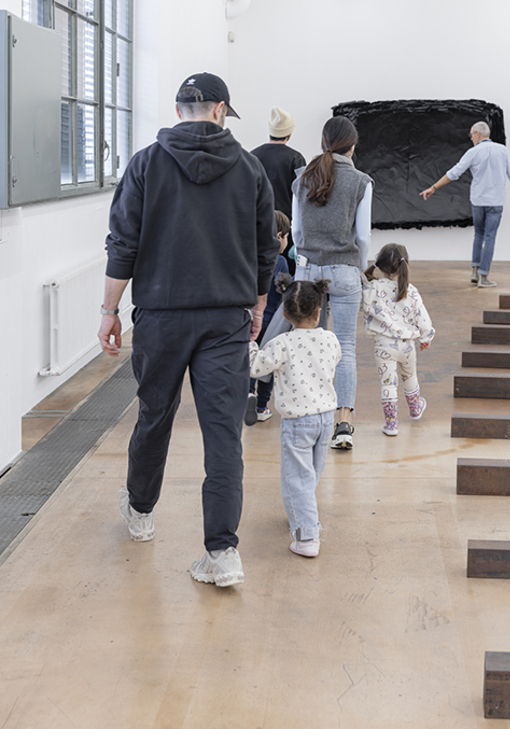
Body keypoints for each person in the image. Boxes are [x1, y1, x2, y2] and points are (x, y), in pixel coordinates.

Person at [98, 72, 279, 588]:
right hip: (226, 319)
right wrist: (259, 303)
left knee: (155, 415)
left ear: (180, 110)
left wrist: (109, 311)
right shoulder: (248, 169)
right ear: (220, 110)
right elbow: (267, 249)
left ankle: (140, 512)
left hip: (160, 316)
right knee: (223, 432)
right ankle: (222, 553)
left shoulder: (146, 164)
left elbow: (122, 244)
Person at [292, 115, 372, 451]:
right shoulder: (361, 181)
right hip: (345, 272)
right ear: (352, 146)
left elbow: (296, 231)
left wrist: (303, 263)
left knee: (305, 345)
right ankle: (343, 424)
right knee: (345, 347)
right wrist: (361, 269)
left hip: (308, 270)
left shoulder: (302, 177)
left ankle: (307, 414)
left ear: (324, 142)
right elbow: (363, 236)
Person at [249, 276, 341, 558]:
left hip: (298, 421)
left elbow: (255, 368)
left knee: (297, 477)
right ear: (319, 311)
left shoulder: (282, 344)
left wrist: (251, 343)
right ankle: (299, 515)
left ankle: (307, 535)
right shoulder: (330, 339)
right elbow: (335, 361)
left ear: (286, 314)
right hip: (326, 418)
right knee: (309, 475)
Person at [420, 121, 510, 288]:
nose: (471, 138)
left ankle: (475, 272)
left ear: (477, 134)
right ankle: (484, 276)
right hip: (496, 202)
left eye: (471, 135)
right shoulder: (502, 150)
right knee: (490, 237)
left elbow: (454, 173)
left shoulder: (473, 152)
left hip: (478, 201)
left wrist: (433, 187)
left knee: (479, 235)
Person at [362, 243, 435, 435]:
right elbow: (424, 320)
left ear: (381, 265)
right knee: (410, 377)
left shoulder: (372, 288)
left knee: (388, 384)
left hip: (383, 346)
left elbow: (362, 283)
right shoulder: (411, 291)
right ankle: (415, 409)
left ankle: (392, 424)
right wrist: (426, 338)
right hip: (407, 346)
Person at [245, 209, 291, 426]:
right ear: (279, 236)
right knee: (268, 366)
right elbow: (285, 292)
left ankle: (246, 396)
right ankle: (262, 407)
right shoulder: (280, 261)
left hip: (250, 321)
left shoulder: (247, 257)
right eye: (287, 237)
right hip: (272, 324)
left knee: (248, 361)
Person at [251, 107, 306, 272]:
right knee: (286, 279)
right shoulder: (296, 158)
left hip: (256, 226)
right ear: (289, 134)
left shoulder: (251, 157)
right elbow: (304, 197)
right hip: (287, 230)